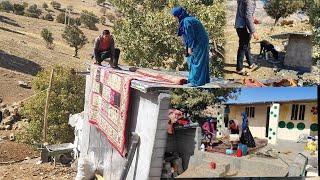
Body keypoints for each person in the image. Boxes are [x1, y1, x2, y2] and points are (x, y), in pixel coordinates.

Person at [171, 6, 210, 87]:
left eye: (174, 16)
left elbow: (190, 36)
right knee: (193, 59)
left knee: (196, 60)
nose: (174, 18)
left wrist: (190, 48)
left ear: (178, 15)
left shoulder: (186, 21)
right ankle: (197, 79)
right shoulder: (187, 19)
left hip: (199, 42)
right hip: (199, 41)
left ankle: (195, 82)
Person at [235, 0, 259, 75]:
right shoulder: (250, 1)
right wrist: (254, 32)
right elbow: (248, 16)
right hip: (244, 27)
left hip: (239, 26)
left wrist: (253, 19)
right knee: (243, 47)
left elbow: (245, 13)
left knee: (246, 46)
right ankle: (239, 69)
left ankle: (250, 63)